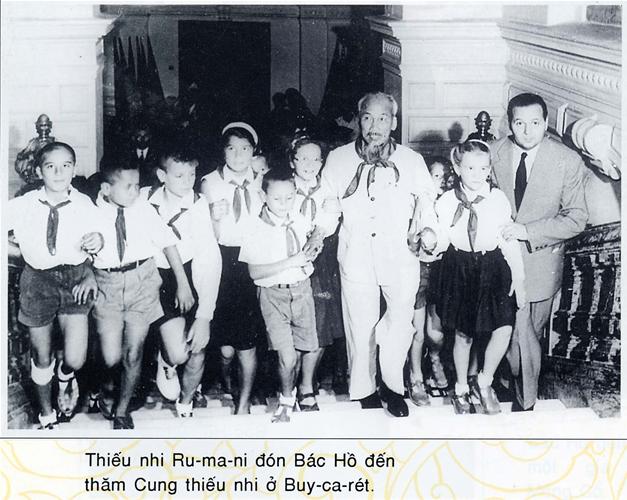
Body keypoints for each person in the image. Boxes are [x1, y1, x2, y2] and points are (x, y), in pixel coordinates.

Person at [319, 92, 438, 417]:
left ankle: (392, 386)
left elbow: (427, 204)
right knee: (361, 326)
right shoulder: (338, 159)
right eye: (368, 118)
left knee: (399, 324)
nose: (375, 126)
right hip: (356, 255)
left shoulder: (411, 161)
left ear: (394, 123)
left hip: (400, 258)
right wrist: (319, 233)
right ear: (359, 121)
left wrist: (428, 232)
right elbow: (329, 205)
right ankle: (365, 390)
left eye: (383, 118)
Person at [492, 93, 588, 411]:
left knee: (526, 334)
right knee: (512, 335)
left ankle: (521, 397)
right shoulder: (493, 152)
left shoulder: (566, 160)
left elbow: (576, 218)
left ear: (546, 123)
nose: (527, 131)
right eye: (519, 123)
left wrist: (527, 231)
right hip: (499, 263)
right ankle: (517, 395)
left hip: (540, 263)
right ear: (510, 124)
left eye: (535, 123)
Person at [91, 158, 194, 429]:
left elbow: (169, 244)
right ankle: (106, 385)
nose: (135, 192)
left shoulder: (144, 210)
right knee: (111, 356)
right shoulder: (90, 213)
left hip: (142, 281)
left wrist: (182, 282)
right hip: (107, 285)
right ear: (106, 189)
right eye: (128, 186)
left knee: (133, 352)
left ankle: (122, 411)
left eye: (137, 185)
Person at [7, 142, 103, 429]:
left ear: (74, 169)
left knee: (75, 358)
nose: (59, 172)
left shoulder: (84, 204)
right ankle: (46, 413)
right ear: (39, 171)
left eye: (65, 166)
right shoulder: (23, 205)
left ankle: (65, 376)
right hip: (37, 281)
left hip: (75, 280)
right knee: (41, 355)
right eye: (51, 166)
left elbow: (100, 239)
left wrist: (97, 242)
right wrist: (20, 253)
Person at [432, 140, 526, 415]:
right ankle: (461, 387)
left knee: (504, 327)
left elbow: (508, 240)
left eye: (483, 168)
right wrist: (429, 241)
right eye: (470, 168)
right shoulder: (447, 202)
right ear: (457, 167)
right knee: (463, 334)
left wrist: (519, 279)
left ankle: (484, 381)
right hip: (459, 268)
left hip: (493, 267)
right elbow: (442, 239)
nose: (477, 174)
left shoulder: (497, 199)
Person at [142, 147, 222, 418]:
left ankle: (186, 402)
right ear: (161, 175)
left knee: (197, 346)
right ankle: (167, 361)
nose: (187, 181)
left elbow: (209, 259)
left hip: (193, 272)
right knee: (178, 354)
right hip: (156, 275)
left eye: (192, 175)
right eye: (179, 175)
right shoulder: (144, 199)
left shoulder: (199, 205)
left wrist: (204, 315)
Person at [239, 168, 320, 422]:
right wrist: (291, 261)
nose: (284, 204)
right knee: (287, 356)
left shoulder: (299, 218)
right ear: (264, 196)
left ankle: (292, 393)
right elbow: (254, 272)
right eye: (277, 198)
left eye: (289, 197)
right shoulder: (255, 227)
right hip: (273, 296)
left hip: (302, 291)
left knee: (305, 350)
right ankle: (286, 401)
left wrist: (315, 245)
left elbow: (314, 236)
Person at [200, 122, 265, 415]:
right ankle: (227, 381)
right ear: (223, 151)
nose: (238, 155)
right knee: (226, 348)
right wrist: (213, 218)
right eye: (232, 148)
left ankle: (244, 403)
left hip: (255, 260)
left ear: (254, 151)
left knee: (248, 341)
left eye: (245, 148)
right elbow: (202, 234)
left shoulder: (263, 179)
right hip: (222, 261)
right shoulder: (209, 182)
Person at [288, 135, 346, 406]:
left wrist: (317, 235)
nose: (310, 165)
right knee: (293, 322)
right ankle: (288, 383)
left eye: (315, 159)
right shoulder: (284, 187)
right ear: (292, 161)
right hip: (289, 257)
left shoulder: (328, 187)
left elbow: (331, 216)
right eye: (303, 158)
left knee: (321, 322)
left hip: (322, 262)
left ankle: (306, 385)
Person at [406, 157, 452, 406]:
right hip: (417, 270)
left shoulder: (451, 203)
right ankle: (416, 376)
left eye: (446, 176)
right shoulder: (418, 203)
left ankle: (434, 358)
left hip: (442, 270)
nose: (442, 181)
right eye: (436, 176)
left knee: (436, 333)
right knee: (417, 331)